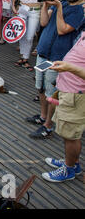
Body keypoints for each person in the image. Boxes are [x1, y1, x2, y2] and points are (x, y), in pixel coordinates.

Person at [27, 0, 85, 140]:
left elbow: (62, 29)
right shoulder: (64, 2)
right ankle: (43, 116)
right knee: (41, 87)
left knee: (52, 92)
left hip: (58, 57)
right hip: (44, 51)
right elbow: (44, 22)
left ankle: (48, 126)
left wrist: (59, 8)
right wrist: (45, 4)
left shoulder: (80, 10)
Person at [42, 31, 85, 182]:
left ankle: (69, 170)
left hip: (76, 95)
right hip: (68, 91)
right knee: (68, 133)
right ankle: (73, 163)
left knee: (71, 135)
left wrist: (69, 68)